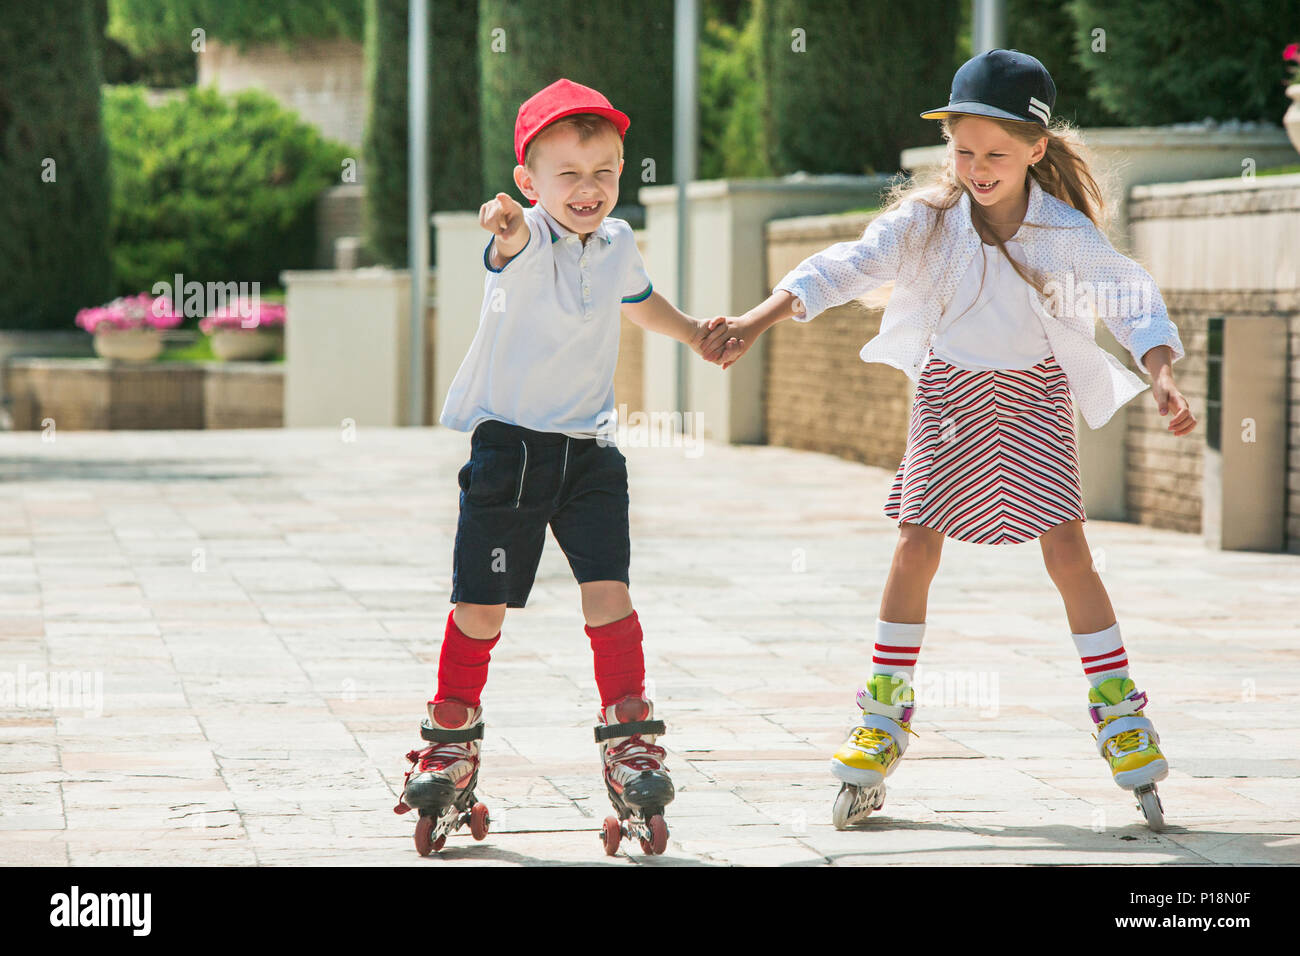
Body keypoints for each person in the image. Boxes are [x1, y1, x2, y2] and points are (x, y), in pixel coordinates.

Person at [716, 50, 1194, 829]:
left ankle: (1120, 712)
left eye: (996, 155)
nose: (976, 168)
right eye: (963, 151)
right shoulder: (927, 220)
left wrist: (1162, 371)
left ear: (1037, 150)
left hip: (1036, 394)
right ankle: (883, 714)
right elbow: (849, 265)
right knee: (915, 544)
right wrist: (754, 319)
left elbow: (1128, 294)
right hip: (949, 391)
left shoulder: (1063, 232)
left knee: (1068, 548)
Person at [394, 78, 737, 854]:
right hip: (509, 452)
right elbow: (506, 247)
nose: (588, 190)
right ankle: (450, 738)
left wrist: (693, 335)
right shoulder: (523, 238)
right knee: (481, 608)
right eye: (569, 175)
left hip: (591, 453)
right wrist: (509, 227)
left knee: (607, 595)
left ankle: (631, 742)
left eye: (605, 172)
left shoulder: (615, 243)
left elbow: (640, 299)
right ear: (528, 181)